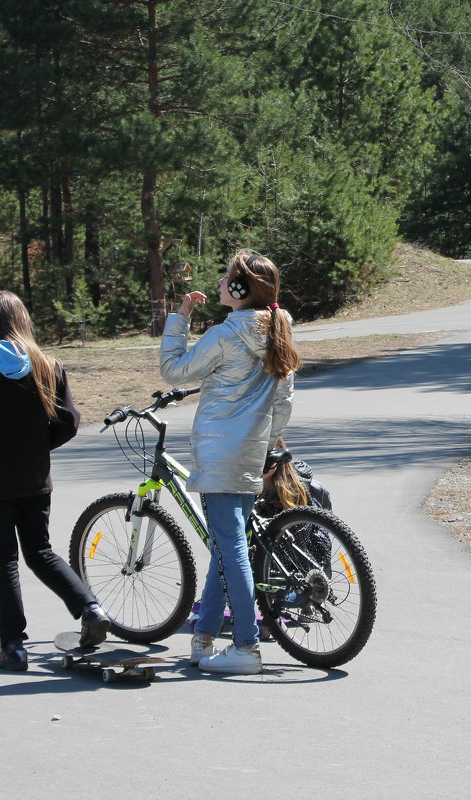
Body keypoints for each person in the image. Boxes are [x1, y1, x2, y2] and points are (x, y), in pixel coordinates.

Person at [0, 290, 109, 671]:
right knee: (41, 551)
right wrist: (37, 446)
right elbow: (68, 420)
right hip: (35, 477)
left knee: (3, 561)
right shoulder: (48, 365)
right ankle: (89, 608)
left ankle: (13, 647)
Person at [160, 249, 299, 675]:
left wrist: (179, 317)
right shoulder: (278, 330)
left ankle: (245, 646)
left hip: (220, 451)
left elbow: (173, 371)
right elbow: (283, 401)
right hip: (251, 450)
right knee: (225, 544)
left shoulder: (225, 334)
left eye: (225, 278)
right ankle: (204, 638)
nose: (220, 283)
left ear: (239, 289)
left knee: (232, 548)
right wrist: (267, 447)